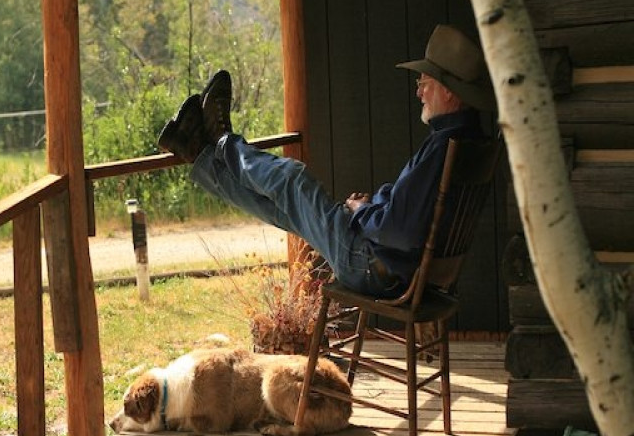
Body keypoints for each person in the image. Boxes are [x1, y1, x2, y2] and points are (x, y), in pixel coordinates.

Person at [157, 25, 496, 299]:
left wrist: (362, 213)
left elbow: (401, 230)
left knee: (292, 178)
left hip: (369, 265)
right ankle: (197, 151)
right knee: (285, 208)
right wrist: (370, 205)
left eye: (425, 82)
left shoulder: (443, 147)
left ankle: (220, 140)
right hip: (398, 269)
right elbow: (410, 214)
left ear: (449, 92)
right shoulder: (466, 142)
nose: (419, 91)